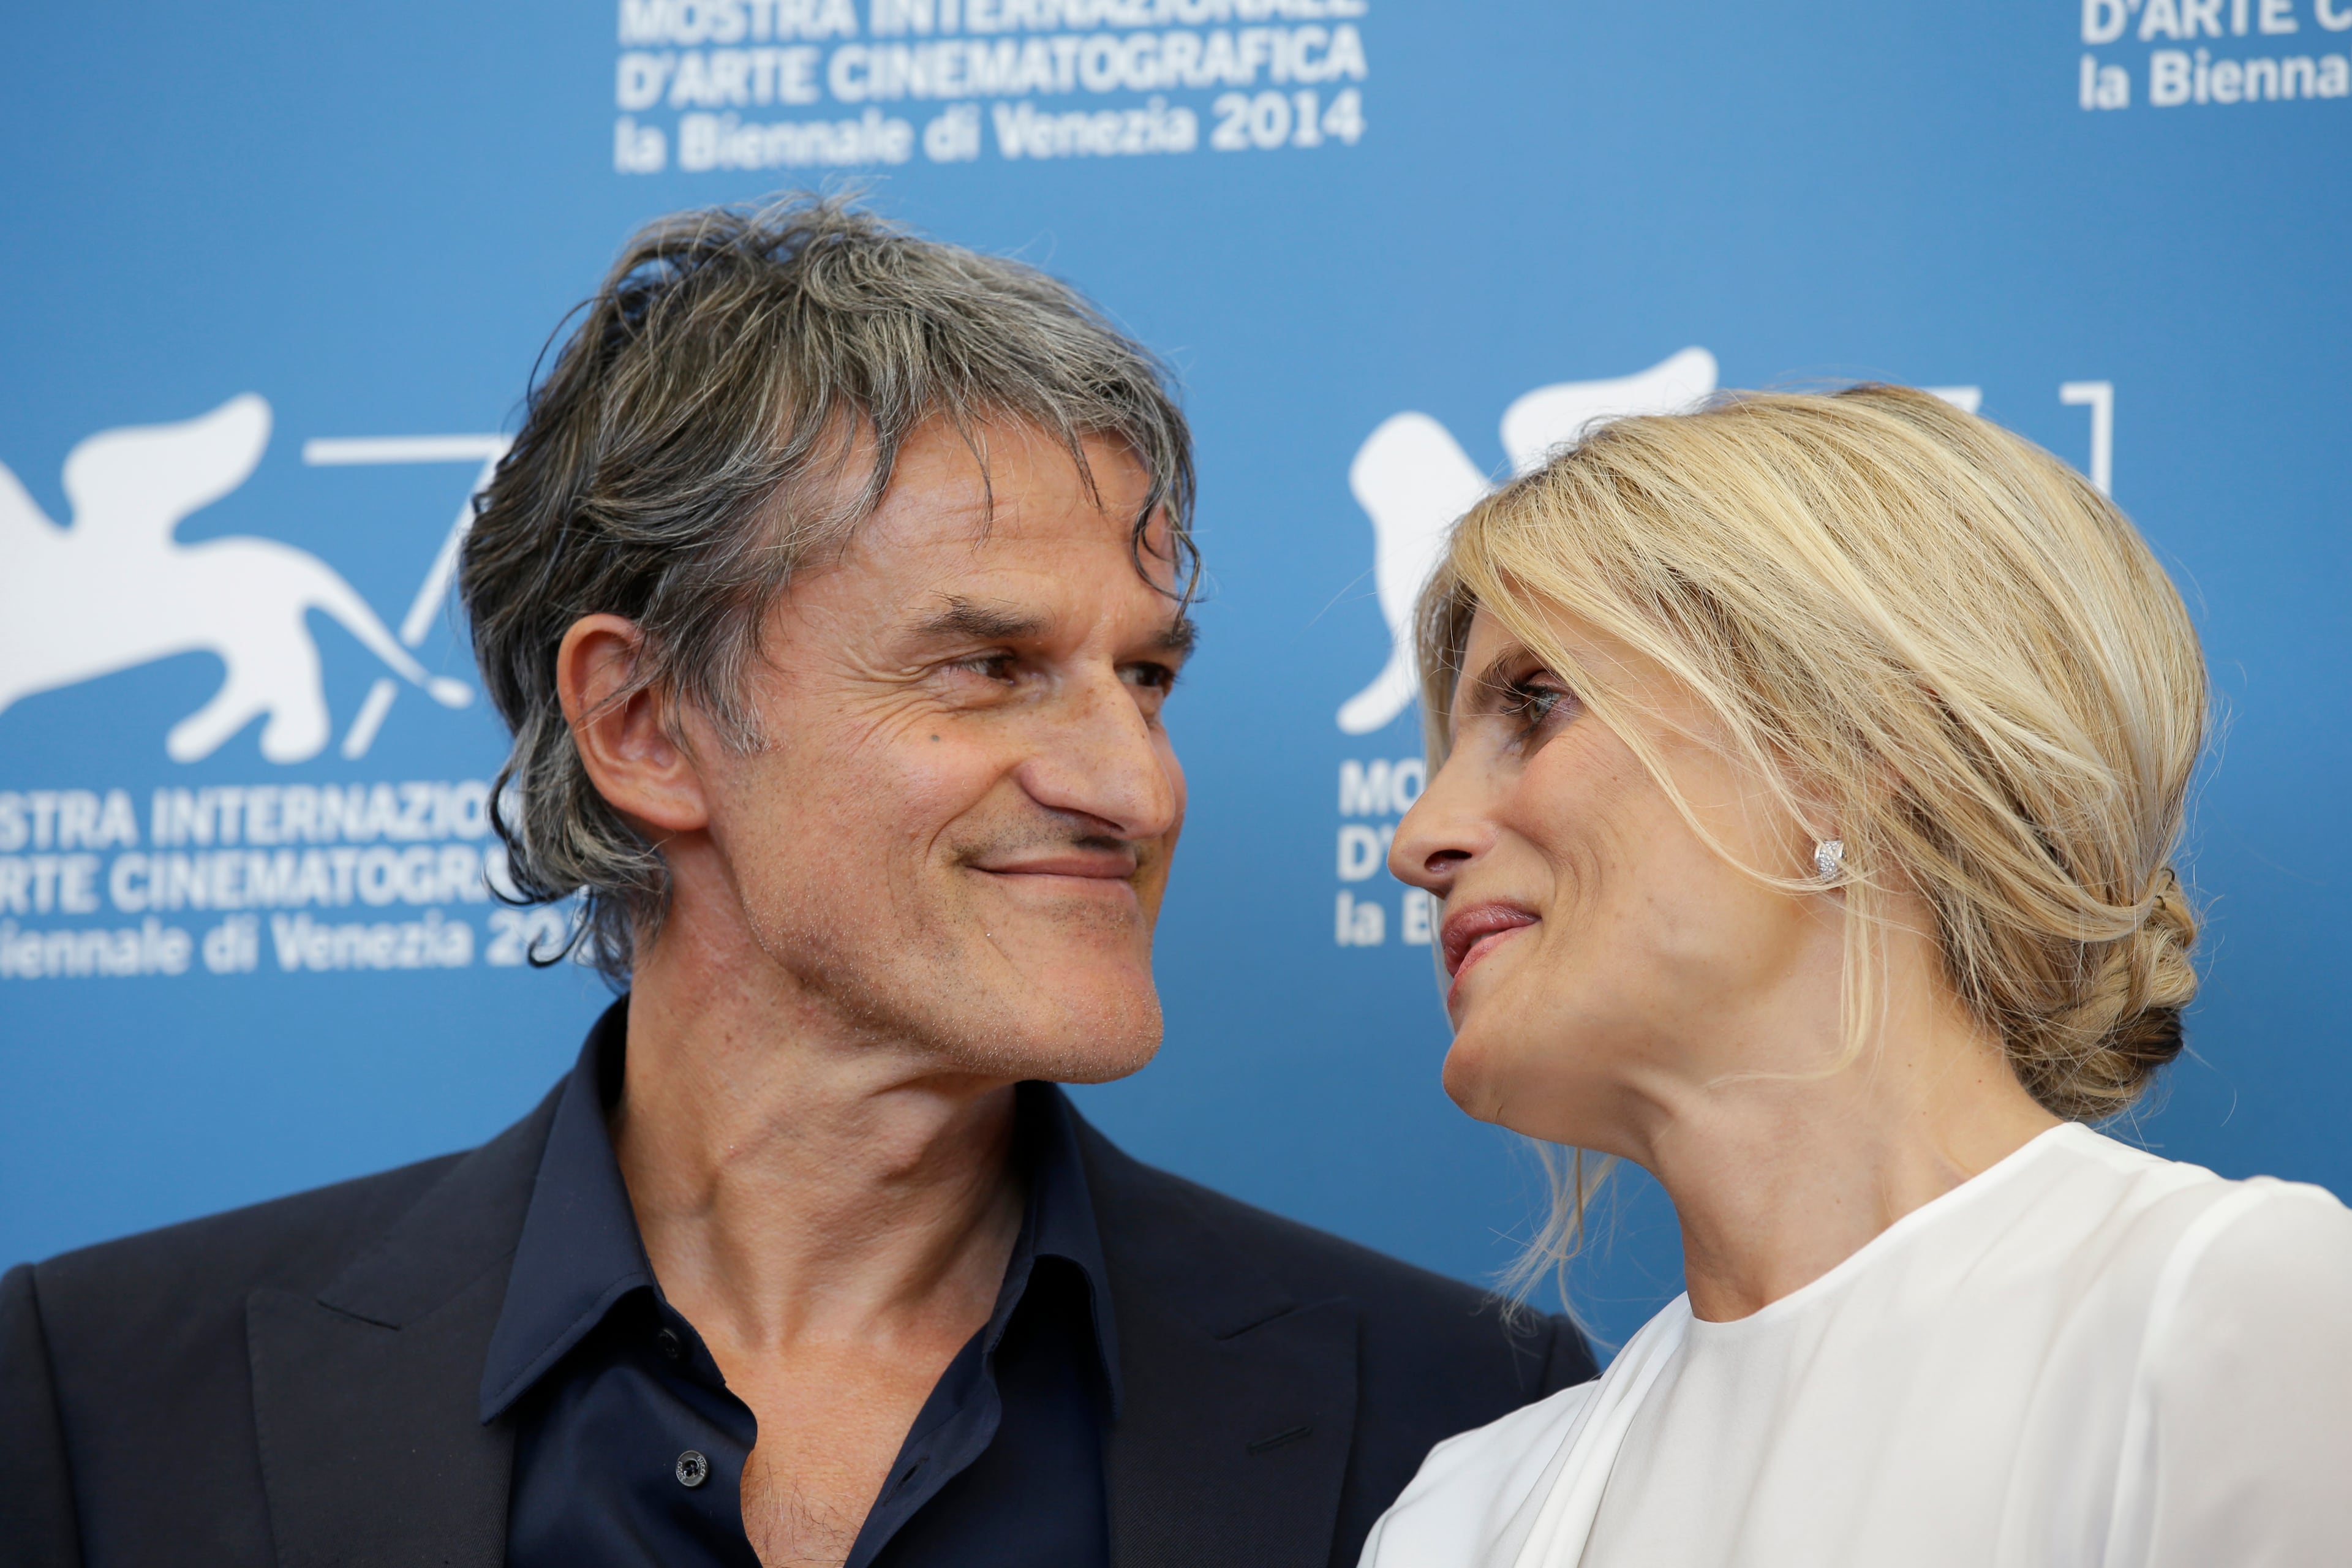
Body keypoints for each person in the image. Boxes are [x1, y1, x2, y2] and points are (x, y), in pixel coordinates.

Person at [0, 198, 1593, 1568]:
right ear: (644, 723)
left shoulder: (1459, 1415)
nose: (1140, 786)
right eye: (990, 666)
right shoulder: (103, 1399)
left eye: (1148, 676)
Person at [1359, 385, 2352, 1567]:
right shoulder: (1462, 1518)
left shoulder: (2234, 1317)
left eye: (1538, 705)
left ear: (1854, 742)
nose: (1417, 839)